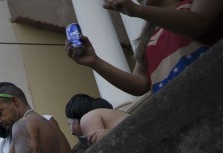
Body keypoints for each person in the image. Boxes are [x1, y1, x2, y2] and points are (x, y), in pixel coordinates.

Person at [66, 0, 223, 95]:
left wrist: (138, 11)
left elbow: (200, 22)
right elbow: (140, 84)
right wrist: (95, 62)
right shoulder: (149, 36)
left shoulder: (192, 5)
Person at [64, 94, 130, 153]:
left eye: (69, 123)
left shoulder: (87, 118)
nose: (71, 132)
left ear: (78, 117)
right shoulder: (108, 114)